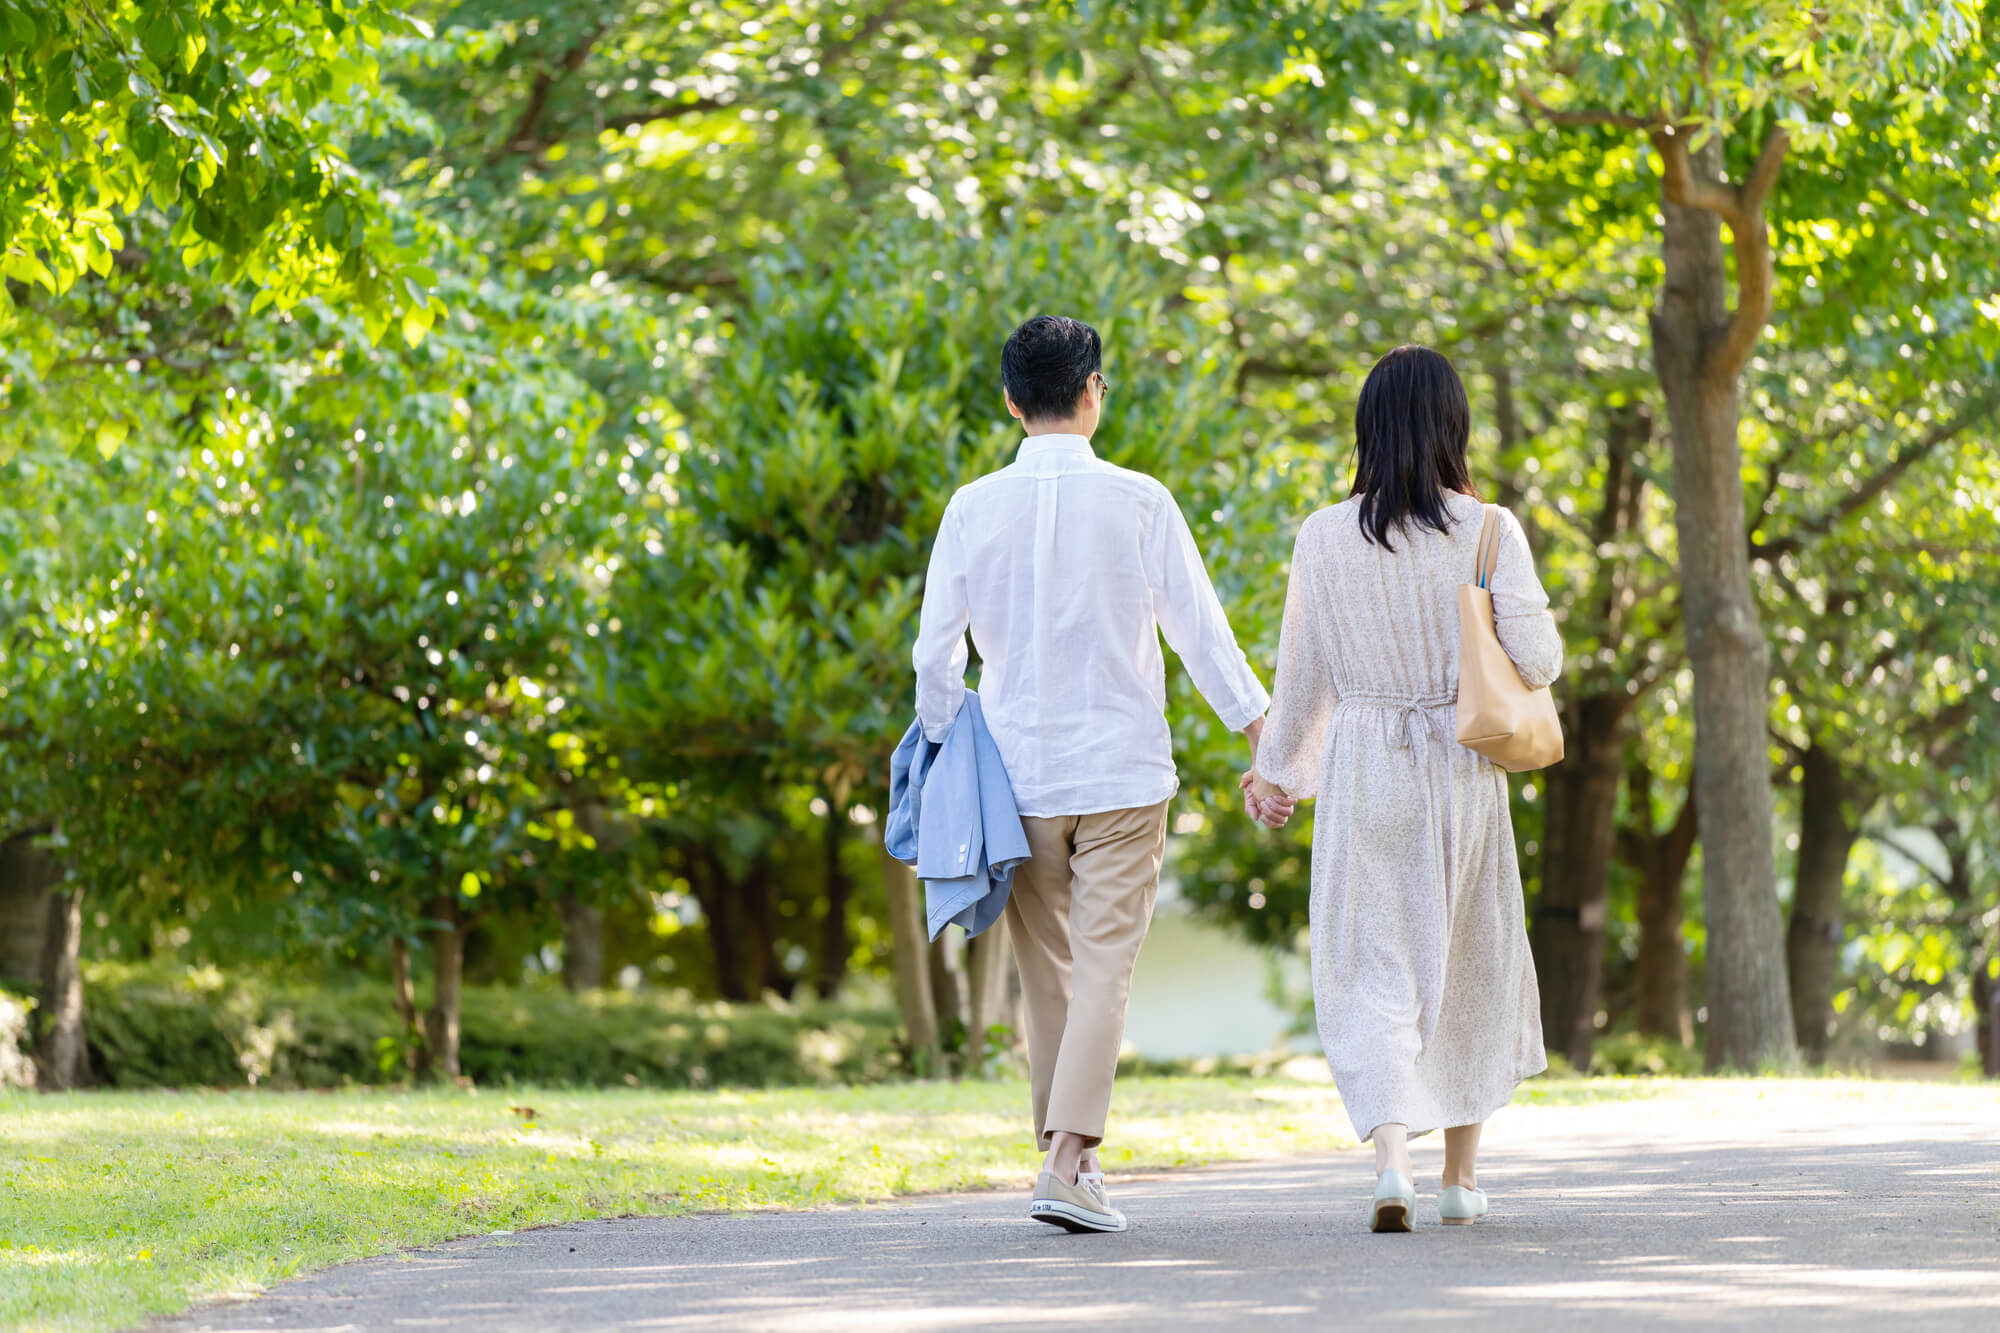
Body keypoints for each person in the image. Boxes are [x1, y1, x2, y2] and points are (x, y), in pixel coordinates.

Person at [911, 315, 1293, 1234]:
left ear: (1011, 401)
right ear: (1092, 393)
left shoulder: (971, 506)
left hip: (1016, 777)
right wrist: (1261, 736)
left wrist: (943, 741)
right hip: (1122, 773)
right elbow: (1199, 633)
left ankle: (1062, 1159)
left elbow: (935, 657)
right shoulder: (1140, 500)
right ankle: (1067, 1160)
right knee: (1106, 969)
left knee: (1051, 973)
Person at [1246, 344, 1563, 1232]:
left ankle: (1394, 1165)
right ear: (1454, 426)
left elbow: (1303, 678)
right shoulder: (1489, 528)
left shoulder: (1320, 535)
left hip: (1364, 770)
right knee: (1469, 963)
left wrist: (1276, 777)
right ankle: (1461, 1178)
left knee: (1372, 971)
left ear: (1368, 430)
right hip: (1459, 769)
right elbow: (1537, 659)